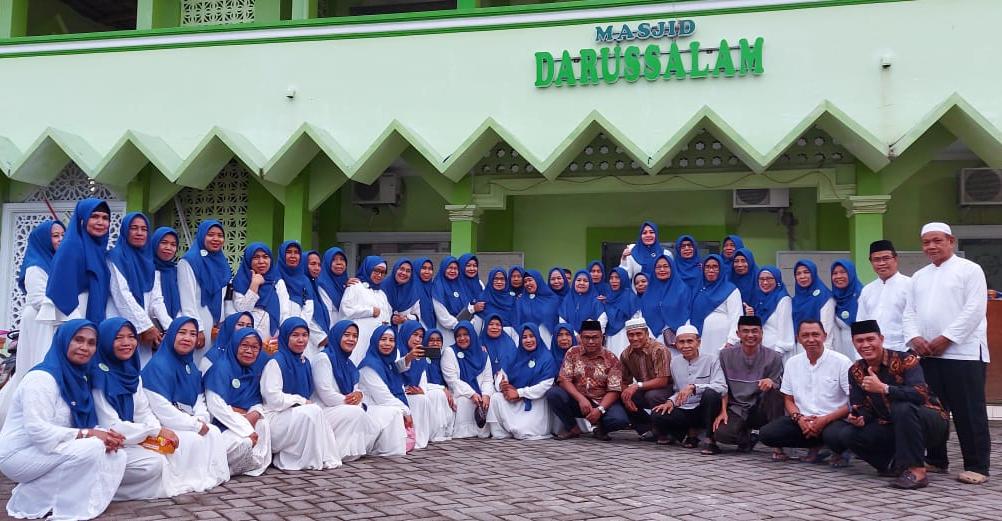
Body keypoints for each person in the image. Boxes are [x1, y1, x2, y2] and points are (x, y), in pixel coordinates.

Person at [0, 320, 128, 521]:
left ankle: (76, 503)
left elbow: (83, 422)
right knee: (93, 447)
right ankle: (30, 499)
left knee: (115, 454)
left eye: (91, 343)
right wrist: (89, 434)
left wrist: (108, 436)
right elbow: (38, 431)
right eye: (78, 340)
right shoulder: (41, 379)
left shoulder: (79, 377)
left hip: (50, 448)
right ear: (63, 341)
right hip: (19, 453)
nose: (84, 347)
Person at [903, 222, 990, 485]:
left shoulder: (970, 270)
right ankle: (937, 459)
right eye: (926, 242)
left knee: (968, 411)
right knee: (933, 410)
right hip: (928, 355)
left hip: (963, 353)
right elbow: (909, 312)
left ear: (951, 241)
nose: (931, 246)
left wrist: (947, 338)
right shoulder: (919, 276)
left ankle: (977, 465)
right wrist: (914, 337)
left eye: (937, 240)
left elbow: (974, 309)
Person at [842, 320, 950, 489]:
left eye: (870, 339)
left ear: (881, 339)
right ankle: (894, 465)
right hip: (893, 425)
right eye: (860, 341)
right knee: (847, 433)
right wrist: (860, 417)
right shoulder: (855, 370)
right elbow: (860, 406)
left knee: (902, 407)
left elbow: (920, 394)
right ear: (854, 343)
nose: (866, 345)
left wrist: (884, 388)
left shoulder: (906, 359)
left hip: (930, 422)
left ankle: (917, 472)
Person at [139, 318, 231, 491]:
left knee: (213, 432)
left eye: (193, 334)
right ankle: (188, 479)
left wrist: (201, 418)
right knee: (193, 438)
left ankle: (209, 476)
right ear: (171, 335)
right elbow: (161, 409)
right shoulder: (158, 366)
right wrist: (194, 425)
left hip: (187, 421)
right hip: (163, 425)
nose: (187, 338)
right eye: (182, 333)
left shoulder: (191, 367)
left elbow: (199, 399)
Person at [89, 318, 167, 500]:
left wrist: (156, 432)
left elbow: (143, 411)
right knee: (153, 463)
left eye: (131, 337)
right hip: (104, 441)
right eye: (118, 338)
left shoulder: (132, 373)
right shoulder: (97, 375)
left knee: (168, 453)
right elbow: (110, 425)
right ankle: (95, 488)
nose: (126, 343)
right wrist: (152, 432)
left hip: (130, 438)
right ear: (105, 341)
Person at [759, 319, 853, 465]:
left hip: (833, 420)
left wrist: (824, 420)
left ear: (824, 336)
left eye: (815, 334)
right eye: (805, 335)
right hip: (803, 421)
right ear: (798, 338)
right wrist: (799, 419)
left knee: (836, 436)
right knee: (767, 434)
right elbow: (788, 399)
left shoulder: (842, 362)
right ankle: (816, 446)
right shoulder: (792, 363)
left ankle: (835, 449)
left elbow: (851, 402)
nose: (811, 339)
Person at [0, 220, 64, 428]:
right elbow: (37, 299)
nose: (60, 239)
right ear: (43, 239)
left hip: (51, 320)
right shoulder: (36, 265)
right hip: (40, 320)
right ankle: (28, 416)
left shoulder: (57, 262)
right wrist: (70, 313)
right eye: (55, 236)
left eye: (63, 235)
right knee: (38, 364)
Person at [313, 320, 406, 457]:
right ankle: (338, 453)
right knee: (356, 412)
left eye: (355, 336)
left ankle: (387, 452)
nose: (351, 339)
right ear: (337, 335)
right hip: (325, 410)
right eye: (346, 335)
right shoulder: (323, 359)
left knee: (393, 411)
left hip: (347, 406)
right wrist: (353, 401)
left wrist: (359, 395)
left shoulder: (348, 363)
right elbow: (326, 394)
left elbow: (356, 390)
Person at [259, 317, 341, 470]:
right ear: (286, 337)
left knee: (316, 412)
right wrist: (300, 401)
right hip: (274, 418)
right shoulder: (275, 362)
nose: (301, 340)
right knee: (312, 411)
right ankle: (296, 458)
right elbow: (273, 399)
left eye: (304, 335)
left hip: (293, 414)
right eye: (295, 335)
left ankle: (320, 456)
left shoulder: (304, 362)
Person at [203, 328, 273, 476]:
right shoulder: (221, 368)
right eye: (244, 345)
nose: (249, 351)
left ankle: (251, 462)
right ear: (235, 345)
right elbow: (216, 406)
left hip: (242, 420)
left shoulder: (253, 370)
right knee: (243, 442)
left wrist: (255, 413)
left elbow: (257, 399)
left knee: (263, 423)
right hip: (220, 424)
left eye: (255, 347)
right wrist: (245, 427)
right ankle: (227, 466)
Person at [546, 320, 629, 441]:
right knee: (554, 394)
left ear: (602, 338)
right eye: (586, 337)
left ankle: (601, 428)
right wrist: (581, 399)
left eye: (595, 337)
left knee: (619, 420)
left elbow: (614, 390)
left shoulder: (611, 358)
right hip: (578, 401)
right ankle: (573, 428)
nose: (590, 341)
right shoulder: (572, 352)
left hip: (602, 401)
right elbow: (564, 379)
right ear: (580, 337)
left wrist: (600, 409)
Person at [713, 315, 785, 454]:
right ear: (738, 334)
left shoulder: (773, 357)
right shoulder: (725, 355)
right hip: (737, 407)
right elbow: (722, 385)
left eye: (754, 331)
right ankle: (748, 437)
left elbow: (779, 386)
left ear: (761, 333)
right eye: (745, 331)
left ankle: (777, 444)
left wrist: (771, 382)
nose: (750, 335)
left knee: (775, 392)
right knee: (721, 434)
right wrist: (723, 411)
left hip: (760, 407)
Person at [650, 324, 726, 452]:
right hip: (686, 408)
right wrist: (670, 401)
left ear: (698, 342)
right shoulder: (675, 362)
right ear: (676, 344)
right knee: (657, 414)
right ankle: (688, 434)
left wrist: (695, 387)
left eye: (690, 341)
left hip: (705, 408)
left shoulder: (712, 360)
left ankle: (710, 439)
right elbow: (678, 390)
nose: (686, 346)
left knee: (710, 394)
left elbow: (722, 387)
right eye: (681, 342)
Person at [39, 198, 111, 325]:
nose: (100, 222)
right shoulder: (71, 246)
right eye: (94, 216)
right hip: (74, 318)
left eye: (105, 218)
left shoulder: (99, 251)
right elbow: (62, 290)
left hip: (93, 315)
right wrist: (77, 326)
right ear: (83, 219)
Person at [107, 213, 166, 366]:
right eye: (134, 228)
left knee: (142, 367)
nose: (139, 233)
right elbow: (122, 295)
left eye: (144, 229)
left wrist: (171, 328)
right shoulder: (115, 257)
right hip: (120, 321)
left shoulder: (149, 261)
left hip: (143, 326)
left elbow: (156, 299)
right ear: (125, 230)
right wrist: (145, 326)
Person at [356, 325, 428, 451]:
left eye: (391, 340)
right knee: (395, 411)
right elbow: (383, 398)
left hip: (383, 404)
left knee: (419, 399)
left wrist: (409, 357)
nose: (387, 344)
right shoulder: (369, 366)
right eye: (383, 339)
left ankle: (412, 439)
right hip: (373, 407)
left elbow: (397, 367)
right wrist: (406, 411)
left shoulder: (387, 362)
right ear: (375, 341)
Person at [488, 323, 556, 440]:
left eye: (531, 336)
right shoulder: (516, 355)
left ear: (537, 337)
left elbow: (545, 386)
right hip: (514, 399)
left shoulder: (546, 358)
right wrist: (503, 385)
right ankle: (502, 432)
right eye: (524, 337)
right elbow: (501, 374)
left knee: (522, 432)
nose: (528, 340)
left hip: (535, 402)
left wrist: (519, 393)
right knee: (496, 398)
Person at [178, 220, 232, 363]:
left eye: (220, 235)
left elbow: (224, 297)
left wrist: (222, 322)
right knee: (196, 363)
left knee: (212, 365)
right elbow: (187, 300)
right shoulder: (188, 262)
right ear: (202, 236)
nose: (216, 239)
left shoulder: (222, 263)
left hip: (217, 327)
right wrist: (197, 329)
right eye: (211, 234)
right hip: (199, 322)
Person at [396, 320, 454, 444]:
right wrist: (409, 357)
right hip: (398, 393)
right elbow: (396, 368)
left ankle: (426, 435)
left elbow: (422, 380)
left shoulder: (420, 357)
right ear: (406, 333)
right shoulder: (396, 351)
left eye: (420, 336)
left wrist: (421, 390)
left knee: (425, 398)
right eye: (414, 335)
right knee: (427, 398)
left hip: (414, 393)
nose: (418, 339)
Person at [618, 318, 673, 443]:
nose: (635, 338)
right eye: (631, 335)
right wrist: (626, 395)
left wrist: (636, 386)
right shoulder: (626, 354)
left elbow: (663, 381)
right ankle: (646, 429)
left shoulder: (659, 350)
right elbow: (623, 381)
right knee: (621, 394)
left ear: (647, 333)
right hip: (643, 389)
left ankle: (665, 431)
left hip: (666, 389)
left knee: (652, 395)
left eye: (639, 334)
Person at [275, 241, 327, 359]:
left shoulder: (305, 281)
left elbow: (308, 308)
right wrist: (288, 329)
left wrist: (298, 328)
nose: (293, 256)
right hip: (277, 334)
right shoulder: (274, 277)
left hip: (300, 334)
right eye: (289, 252)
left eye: (296, 252)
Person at [857, 240, 912, 352]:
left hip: (905, 350)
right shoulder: (867, 290)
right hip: (874, 352)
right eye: (876, 260)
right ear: (871, 262)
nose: (881, 263)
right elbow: (861, 322)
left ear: (895, 259)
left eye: (886, 258)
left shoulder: (910, 285)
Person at [442, 320, 493, 439]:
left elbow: (487, 379)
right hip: (460, 393)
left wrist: (486, 395)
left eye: (466, 334)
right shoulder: (450, 352)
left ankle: (484, 430)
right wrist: (471, 394)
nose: (462, 338)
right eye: (458, 335)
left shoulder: (483, 354)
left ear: (472, 335)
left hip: (480, 393)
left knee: (492, 399)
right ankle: (464, 432)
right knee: (464, 400)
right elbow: (452, 380)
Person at [340, 256, 392, 364]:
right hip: (359, 338)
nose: (379, 275)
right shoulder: (355, 287)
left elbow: (387, 316)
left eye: (383, 272)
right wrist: (370, 311)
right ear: (368, 268)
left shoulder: (381, 294)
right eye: (376, 270)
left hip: (376, 341)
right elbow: (345, 310)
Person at [689, 254, 742, 357]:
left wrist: (731, 341)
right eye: (707, 267)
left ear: (721, 269)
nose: (711, 270)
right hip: (700, 339)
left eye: (715, 267)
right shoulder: (697, 288)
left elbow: (737, 317)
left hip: (722, 339)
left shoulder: (731, 290)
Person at [232, 243, 285, 342]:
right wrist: (254, 285)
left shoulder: (277, 282)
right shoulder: (240, 281)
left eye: (265, 257)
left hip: (272, 339)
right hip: (245, 337)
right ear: (248, 259)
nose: (261, 261)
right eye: (256, 257)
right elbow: (242, 310)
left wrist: (279, 336)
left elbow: (284, 312)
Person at [638, 255, 691, 350]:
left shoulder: (682, 289)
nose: (662, 270)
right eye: (658, 267)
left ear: (672, 268)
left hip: (678, 338)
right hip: (653, 339)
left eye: (666, 266)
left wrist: (683, 335)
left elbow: (687, 313)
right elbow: (644, 316)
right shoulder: (648, 292)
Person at [749, 265, 796, 362]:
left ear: (777, 280)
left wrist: (777, 354)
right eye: (761, 279)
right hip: (762, 352)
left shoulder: (783, 299)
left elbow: (785, 329)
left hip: (777, 354)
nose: (765, 282)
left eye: (769, 279)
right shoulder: (760, 300)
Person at [791, 259, 835, 349]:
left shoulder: (824, 296)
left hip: (817, 347)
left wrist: (824, 352)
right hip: (798, 346)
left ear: (813, 273)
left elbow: (827, 328)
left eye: (806, 272)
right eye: (798, 273)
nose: (802, 276)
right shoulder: (796, 299)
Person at [515, 269, 561, 346]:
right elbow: (517, 321)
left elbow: (557, 321)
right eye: (525, 281)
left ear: (538, 280)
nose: (527, 283)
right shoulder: (520, 301)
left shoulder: (553, 299)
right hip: (527, 341)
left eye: (530, 280)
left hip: (548, 340)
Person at [603, 267, 642, 356]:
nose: (614, 281)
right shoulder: (608, 298)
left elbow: (636, 319)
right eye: (611, 278)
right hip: (610, 337)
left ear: (623, 279)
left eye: (617, 278)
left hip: (625, 336)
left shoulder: (631, 297)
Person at [829, 259, 863, 360]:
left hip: (861, 346)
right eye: (835, 273)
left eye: (843, 272)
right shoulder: (833, 298)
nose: (838, 276)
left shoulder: (863, 295)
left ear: (851, 273)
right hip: (841, 347)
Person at [150, 227, 182, 331]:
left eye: (173, 244)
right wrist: (172, 329)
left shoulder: (176, 270)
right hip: (152, 328)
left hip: (175, 327)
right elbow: (156, 302)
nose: (168, 248)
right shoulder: (148, 269)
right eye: (164, 243)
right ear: (155, 243)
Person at [315, 247, 351, 329]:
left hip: (345, 331)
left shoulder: (347, 284)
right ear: (327, 263)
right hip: (330, 330)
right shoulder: (322, 284)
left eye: (342, 259)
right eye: (334, 260)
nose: (339, 263)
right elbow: (327, 313)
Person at [383, 258, 423, 327]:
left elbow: (417, 316)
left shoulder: (413, 291)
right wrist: (392, 318)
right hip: (385, 331)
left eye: (408, 271)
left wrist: (405, 319)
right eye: (401, 269)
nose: (404, 273)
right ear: (395, 269)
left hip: (405, 331)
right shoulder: (383, 287)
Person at [413, 257, 438, 331]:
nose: (427, 272)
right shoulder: (411, 289)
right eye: (423, 268)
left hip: (433, 331)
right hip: (417, 331)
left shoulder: (434, 287)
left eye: (430, 269)